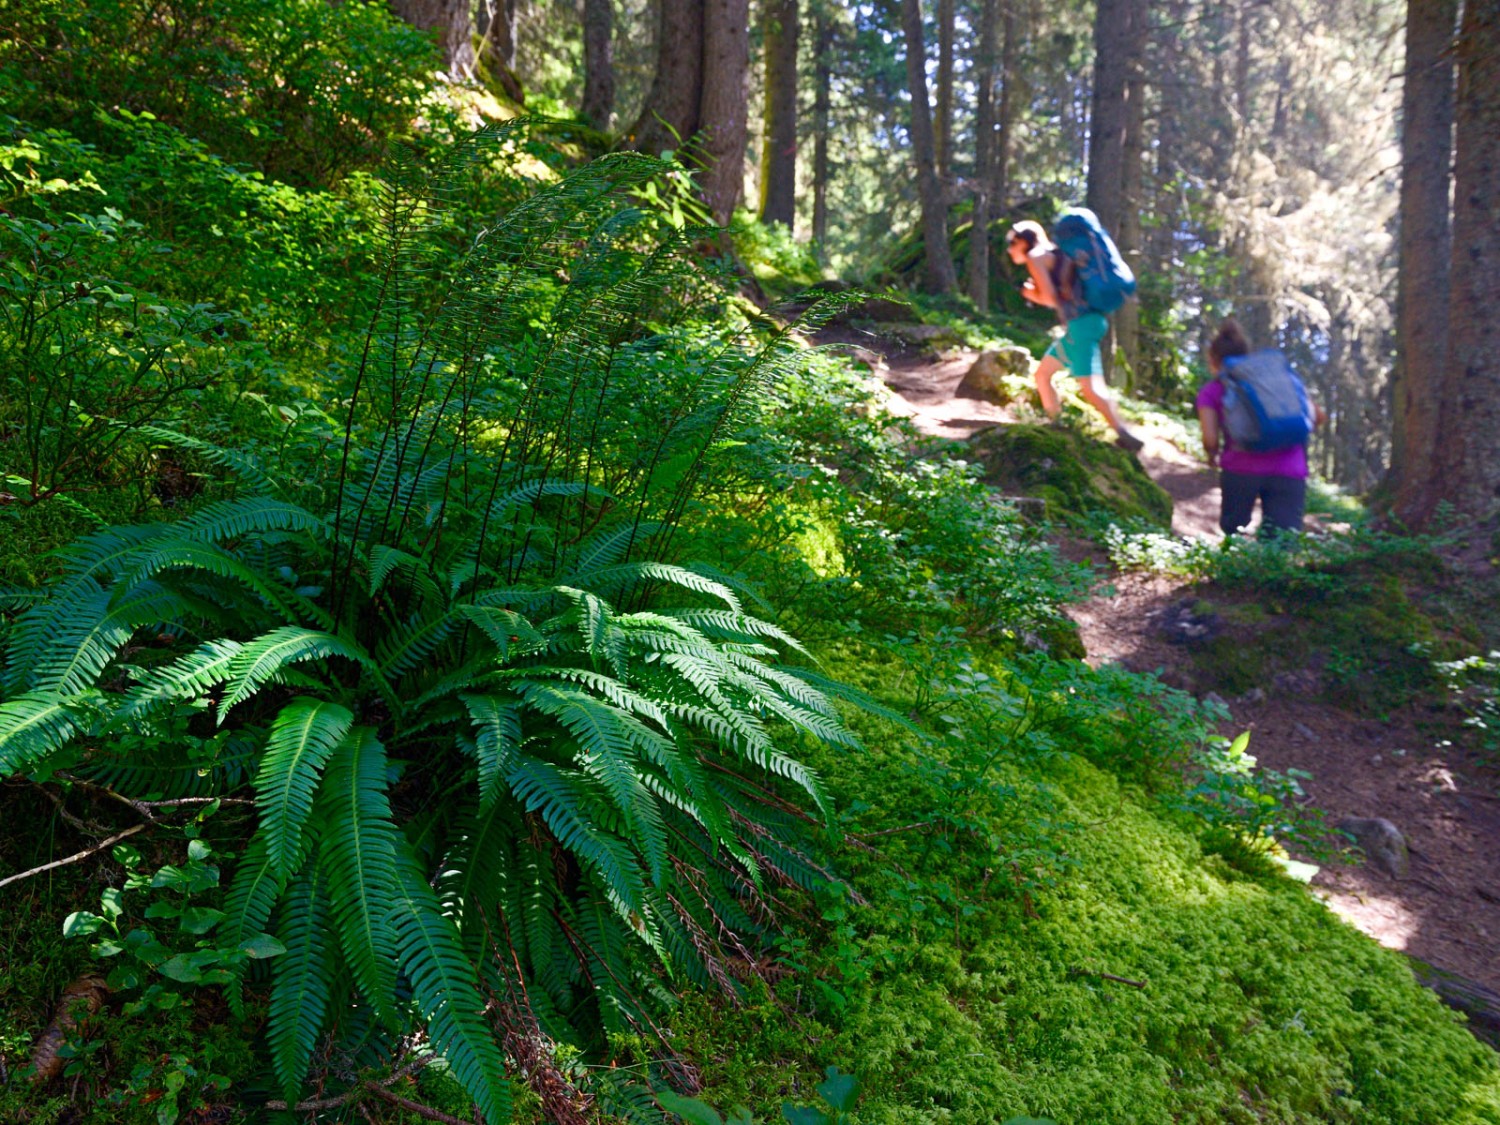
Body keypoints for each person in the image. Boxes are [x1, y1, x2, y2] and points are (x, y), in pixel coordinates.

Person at [1006, 220, 1144, 452]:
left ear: (1023, 241)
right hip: (1085, 323)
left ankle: (1125, 434)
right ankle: (1057, 425)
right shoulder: (1055, 253)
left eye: (1012, 243)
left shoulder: (1036, 257)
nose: (1009, 249)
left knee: (1089, 386)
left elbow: (1050, 299)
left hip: (1082, 325)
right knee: (1042, 375)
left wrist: (1030, 294)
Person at [1195, 318, 1325, 536]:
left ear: (1214, 360)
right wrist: (1283, 431)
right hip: (1290, 469)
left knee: (1233, 531)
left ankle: (1236, 566)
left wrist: (1211, 456)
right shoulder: (1278, 381)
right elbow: (1318, 417)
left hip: (1240, 467)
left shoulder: (1212, 391)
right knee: (1283, 540)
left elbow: (1210, 440)